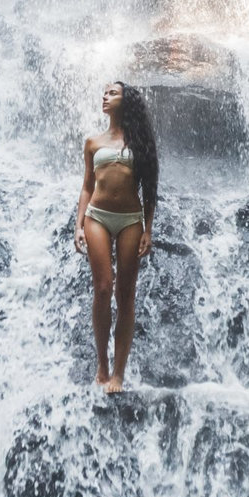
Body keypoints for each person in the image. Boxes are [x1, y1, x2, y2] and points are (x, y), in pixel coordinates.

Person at [73, 80, 160, 392]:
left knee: (125, 295)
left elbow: (150, 190)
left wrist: (148, 229)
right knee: (102, 287)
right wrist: (78, 223)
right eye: (104, 93)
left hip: (130, 220)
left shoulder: (141, 142)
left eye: (112, 93)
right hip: (97, 217)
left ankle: (118, 374)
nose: (105, 97)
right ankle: (102, 363)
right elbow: (86, 185)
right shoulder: (92, 143)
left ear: (127, 101)